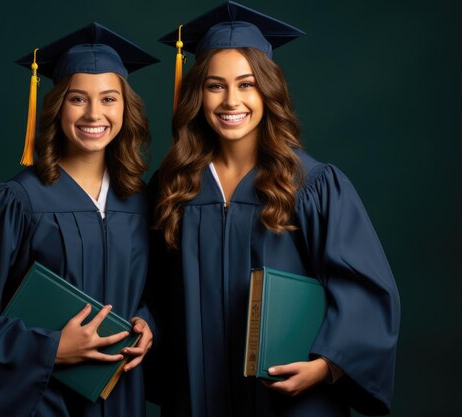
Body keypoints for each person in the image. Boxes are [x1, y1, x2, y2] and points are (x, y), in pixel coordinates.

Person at [146, 2, 401, 417]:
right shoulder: (174, 185)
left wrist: (325, 366)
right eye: (215, 85)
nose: (231, 101)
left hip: (291, 399)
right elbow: (150, 288)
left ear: (269, 91)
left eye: (246, 84)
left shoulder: (313, 183)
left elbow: (365, 292)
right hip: (196, 396)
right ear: (197, 93)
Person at [0, 22, 159, 417]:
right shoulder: (18, 201)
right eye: (78, 99)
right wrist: (51, 348)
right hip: (46, 404)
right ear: (57, 107)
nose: (95, 113)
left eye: (109, 99)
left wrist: (146, 324)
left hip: (122, 398)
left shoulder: (141, 202)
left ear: (126, 108)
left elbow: (153, 293)